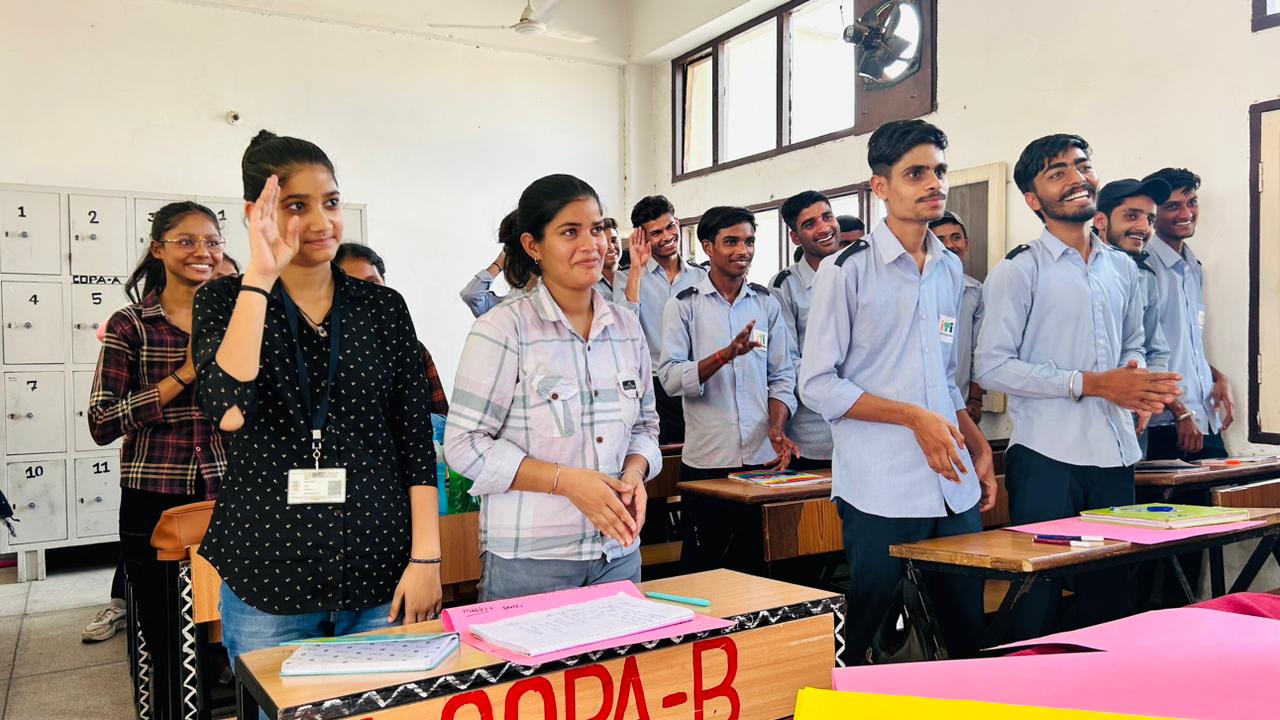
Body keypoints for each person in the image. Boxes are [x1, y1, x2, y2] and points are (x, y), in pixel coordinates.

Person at [192, 131, 443, 673]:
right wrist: (260, 277)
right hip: (268, 569)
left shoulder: (382, 307)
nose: (321, 221)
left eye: (330, 202)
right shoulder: (223, 300)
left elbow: (414, 440)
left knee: (380, 707)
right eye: (296, 206)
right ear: (256, 213)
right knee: (279, 708)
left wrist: (427, 558)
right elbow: (227, 410)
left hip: (381, 562)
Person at [800, 120, 996, 664]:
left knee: (965, 627)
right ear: (880, 186)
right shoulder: (846, 271)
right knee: (868, 624)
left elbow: (944, 378)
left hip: (951, 480)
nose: (934, 183)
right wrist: (913, 418)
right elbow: (817, 383)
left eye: (939, 171)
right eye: (916, 173)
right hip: (881, 485)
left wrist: (976, 442)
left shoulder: (949, 269)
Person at [976, 134, 1182, 640]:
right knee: (1039, 596)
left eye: (1082, 166)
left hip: (1114, 453)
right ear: (1033, 199)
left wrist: (1138, 384)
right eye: (1058, 173)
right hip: (1048, 456)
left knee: (1111, 594)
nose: (1076, 179)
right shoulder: (1019, 269)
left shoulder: (1123, 267)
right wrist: (1091, 383)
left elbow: (1133, 343)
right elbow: (992, 367)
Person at [445, 174, 660, 601]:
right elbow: (464, 445)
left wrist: (635, 473)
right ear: (533, 246)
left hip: (618, 553)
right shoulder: (504, 329)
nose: (591, 244)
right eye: (570, 232)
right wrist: (567, 482)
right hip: (531, 561)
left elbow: (645, 425)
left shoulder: (627, 327)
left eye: (597, 229)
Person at [86, 202, 229, 708]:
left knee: (231, 627)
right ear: (158, 249)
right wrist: (183, 374)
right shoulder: (131, 324)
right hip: (155, 495)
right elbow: (102, 422)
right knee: (166, 634)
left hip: (230, 490)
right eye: (186, 240)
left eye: (212, 241)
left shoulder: (238, 319)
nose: (202, 251)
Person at [658, 205, 798, 482]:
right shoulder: (684, 305)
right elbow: (670, 379)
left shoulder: (765, 304)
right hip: (708, 458)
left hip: (763, 458)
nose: (743, 251)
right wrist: (724, 356)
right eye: (732, 242)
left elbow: (782, 376)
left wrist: (777, 428)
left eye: (749, 242)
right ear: (708, 247)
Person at [1142, 167, 1232, 461]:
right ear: (1153, 214)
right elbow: (1137, 352)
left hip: (1204, 419)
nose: (1186, 213)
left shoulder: (1193, 266)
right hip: (1165, 424)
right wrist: (1178, 411)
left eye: (1191, 202)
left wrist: (1216, 376)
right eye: (1172, 206)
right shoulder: (1142, 267)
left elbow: (1183, 341)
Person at [614, 195, 708, 444]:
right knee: (662, 456)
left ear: (677, 222)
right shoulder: (626, 278)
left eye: (670, 227)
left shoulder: (702, 276)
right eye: (656, 233)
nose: (667, 236)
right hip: (655, 385)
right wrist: (636, 268)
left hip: (698, 379)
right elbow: (624, 327)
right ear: (641, 237)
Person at [1093, 177, 1174, 435]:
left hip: (1130, 420)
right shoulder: (1068, 271)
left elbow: (1155, 348)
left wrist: (1147, 397)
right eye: (1131, 216)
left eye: (1149, 219)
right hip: (1075, 418)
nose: (1143, 227)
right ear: (1100, 220)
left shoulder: (1145, 276)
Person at [335, 242, 449, 415]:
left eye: (373, 282)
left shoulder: (413, 349)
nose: (366, 293)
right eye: (352, 284)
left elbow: (442, 418)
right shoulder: (322, 352)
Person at [771, 190, 840, 467]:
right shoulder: (785, 286)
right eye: (810, 224)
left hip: (868, 427)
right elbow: (788, 361)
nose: (824, 228)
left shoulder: (860, 273)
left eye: (827, 217)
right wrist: (840, 395)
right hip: (814, 435)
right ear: (795, 237)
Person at [928, 211, 985, 423]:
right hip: (920, 409)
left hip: (961, 408)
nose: (950, 245)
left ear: (966, 244)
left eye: (956, 237)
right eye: (940, 240)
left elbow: (978, 351)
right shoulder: (915, 290)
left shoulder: (975, 291)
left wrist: (976, 400)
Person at [458, 211, 536, 317]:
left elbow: (471, 294)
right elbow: (471, 295)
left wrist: (499, 263)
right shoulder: (508, 308)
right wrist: (499, 263)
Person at [598, 216, 621, 295]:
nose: (611, 247)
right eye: (604, 242)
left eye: (614, 240)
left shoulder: (634, 276)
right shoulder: (587, 285)